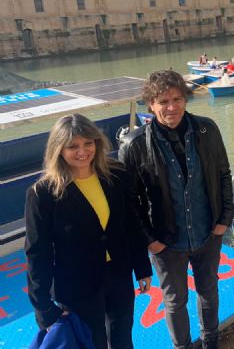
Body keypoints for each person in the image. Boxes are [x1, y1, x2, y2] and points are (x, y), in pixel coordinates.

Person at [119, 70, 234, 348]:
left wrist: (224, 219)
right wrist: (151, 241)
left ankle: (211, 342)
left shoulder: (207, 130)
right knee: (175, 302)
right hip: (167, 241)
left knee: (209, 291)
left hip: (208, 232)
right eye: (163, 102)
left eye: (177, 99)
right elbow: (129, 201)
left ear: (185, 99)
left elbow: (223, 174)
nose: (171, 107)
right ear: (151, 105)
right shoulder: (135, 145)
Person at [25, 114, 152, 349]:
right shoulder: (42, 193)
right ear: (58, 150)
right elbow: (37, 252)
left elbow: (130, 225)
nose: (82, 151)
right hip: (77, 286)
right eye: (72, 146)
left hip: (118, 276)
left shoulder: (116, 175)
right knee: (92, 343)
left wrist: (143, 267)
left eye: (88, 143)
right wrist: (43, 307)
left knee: (123, 339)